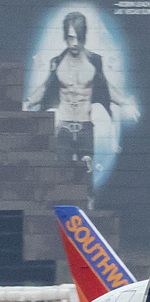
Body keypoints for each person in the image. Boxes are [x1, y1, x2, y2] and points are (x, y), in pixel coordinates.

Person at [24, 11, 140, 206]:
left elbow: (107, 88)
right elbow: (44, 87)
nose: (74, 43)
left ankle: (88, 221)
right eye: (70, 37)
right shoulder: (57, 63)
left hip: (85, 128)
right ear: (65, 37)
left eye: (78, 37)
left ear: (84, 36)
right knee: (61, 180)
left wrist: (125, 101)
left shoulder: (94, 62)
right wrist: (28, 102)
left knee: (86, 183)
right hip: (64, 130)